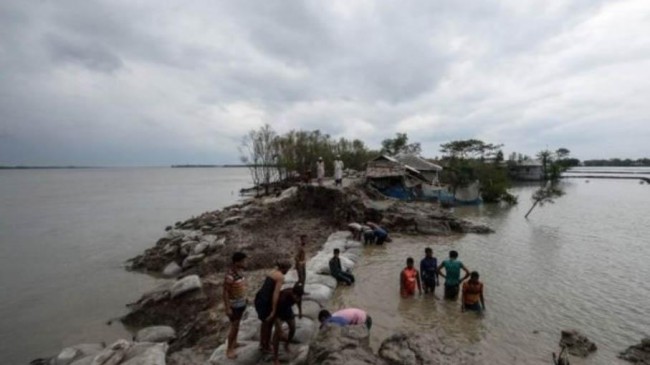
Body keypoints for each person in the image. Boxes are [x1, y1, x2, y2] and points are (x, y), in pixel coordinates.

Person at [254, 260, 292, 353]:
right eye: (288, 269)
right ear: (284, 268)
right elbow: (275, 294)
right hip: (266, 301)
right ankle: (266, 346)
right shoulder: (280, 277)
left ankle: (262, 343)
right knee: (269, 323)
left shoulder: (272, 272)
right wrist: (273, 310)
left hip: (259, 298)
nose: (288, 271)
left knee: (264, 322)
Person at [223, 252, 247, 359]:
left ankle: (235, 342)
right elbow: (225, 292)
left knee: (237, 325)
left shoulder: (240, 272)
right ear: (237, 262)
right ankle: (229, 349)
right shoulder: (230, 275)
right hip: (234, 306)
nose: (245, 263)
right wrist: (228, 308)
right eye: (243, 261)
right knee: (234, 327)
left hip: (241, 302)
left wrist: (245, 297)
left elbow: (241, 286)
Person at [272, 283, 304, 365]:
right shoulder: (282, 298)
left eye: (299, 297)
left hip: (287, 309)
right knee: (277, 334)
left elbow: (299, 301)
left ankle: (287, 344)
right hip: (277, 312)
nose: (297, 299)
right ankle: (275, 358)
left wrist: (300, 311)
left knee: (293, 328)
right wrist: (279, 328)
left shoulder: (298, 295)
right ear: (293, 294)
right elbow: (275, 314)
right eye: (296, 297)